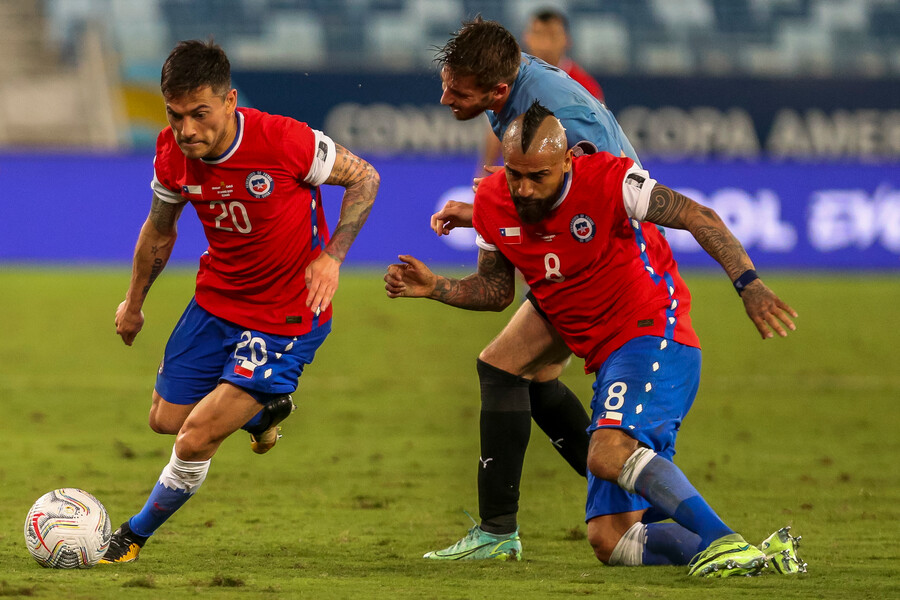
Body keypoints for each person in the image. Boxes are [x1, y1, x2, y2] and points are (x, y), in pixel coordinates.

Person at [386, 102, 806, 576]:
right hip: (599, 351)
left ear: (567, 161)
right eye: (515, 175)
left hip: (651, 335)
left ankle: (722, 540)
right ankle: (762, 556)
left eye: (538, 176)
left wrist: (748, 283)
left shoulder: (611, 180)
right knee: (610, 540)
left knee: (606, 452)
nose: (524, 189)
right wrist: (436, 287)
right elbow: (496, 291)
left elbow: (698, 215)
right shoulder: (491, 201)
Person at [100, 39, 379, 563]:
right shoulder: (171, 152)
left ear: (230, 101)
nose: (187, 130)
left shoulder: (285, 141)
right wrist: (133, 302)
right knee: (164, 418)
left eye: (199, 114)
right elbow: (159, 231)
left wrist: (333, 256)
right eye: (176, 115)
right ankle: (263, 412)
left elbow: (365, 177)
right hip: (217, 302)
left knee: (193, 438)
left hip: (287, 316)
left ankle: (131, 538)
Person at [422, 16, 640, 560]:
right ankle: (628, 502)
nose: (445, 97)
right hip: (592, 247)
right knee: (535, 377)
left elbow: (587, 200)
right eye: (447, 82)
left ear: (497, 89)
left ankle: (499, 533)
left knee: (502, 367)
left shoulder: (558, 117)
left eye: (457, 91)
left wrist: (483, 215)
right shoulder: (514, 86)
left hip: (604, 251)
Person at [480, 8, 606, 172]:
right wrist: (483, 174)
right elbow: (496, 132)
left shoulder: (585, 86)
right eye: (539, 35)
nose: (545, 44)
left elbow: (600, 139)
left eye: (552, 36)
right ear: (527, 38)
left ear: (567, 40)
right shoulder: (509, 79)